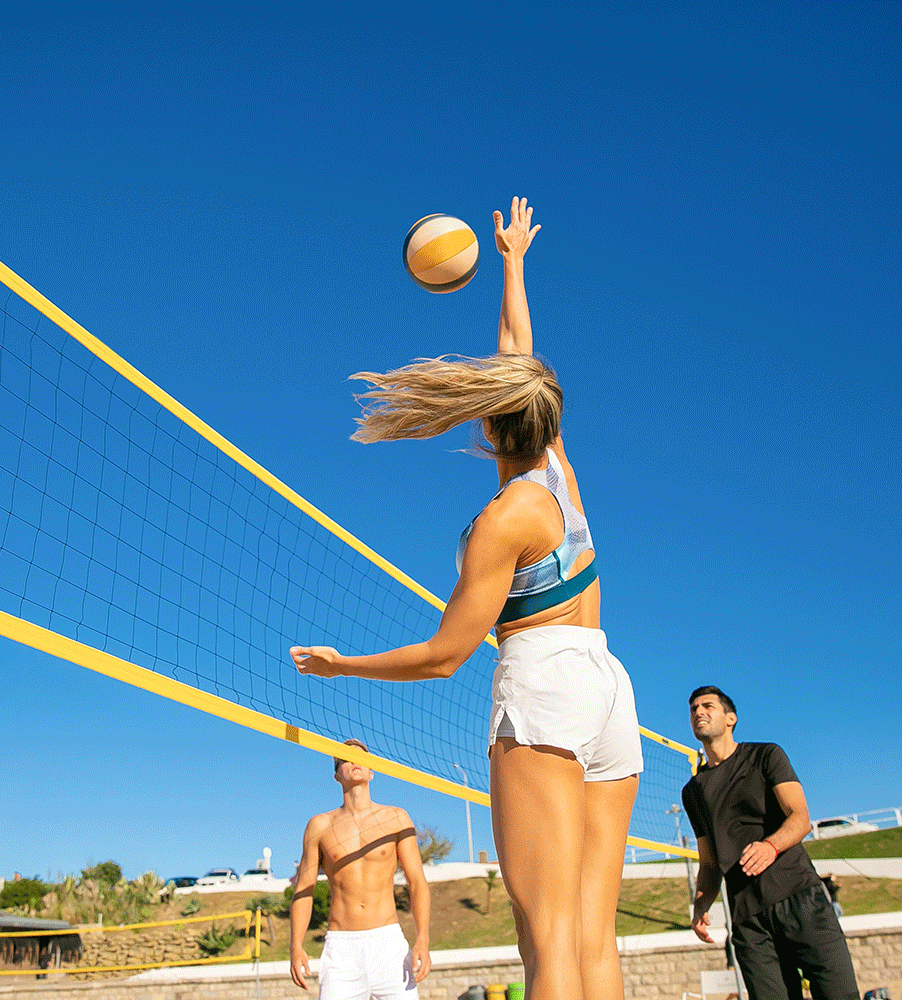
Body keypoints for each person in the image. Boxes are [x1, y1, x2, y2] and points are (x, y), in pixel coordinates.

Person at [291, 198, 642, 1000]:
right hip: (609, 687)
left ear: (488, 425)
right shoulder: (560, 477)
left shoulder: (502, 518)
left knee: (544, 939)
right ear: (543, 418)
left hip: (545, 685)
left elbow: (446, 656)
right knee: (592, 932)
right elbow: (519, 356)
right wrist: (513, 262)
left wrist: (346, 667)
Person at [682, 687, 859, 1000]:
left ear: (730, 718)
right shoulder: (693, 790)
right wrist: (700, 904)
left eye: (707, 705)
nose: (698, 712)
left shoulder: (765, 755)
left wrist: (771, 845)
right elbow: (709, 862)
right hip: (748, 921)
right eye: (693, 708)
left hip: (798, 897)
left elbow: (800, 818)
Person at [289, 740, 430, 1000]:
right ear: (336, 775)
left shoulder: (396, 817)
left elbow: (417, 882)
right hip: (342, 949)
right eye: (345, 758)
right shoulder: (319, 826)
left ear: (372, 771)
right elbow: (304, 889)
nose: (355, 762)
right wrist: (295, 945)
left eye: (361, 758)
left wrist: (423, 938)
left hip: (388, 945)